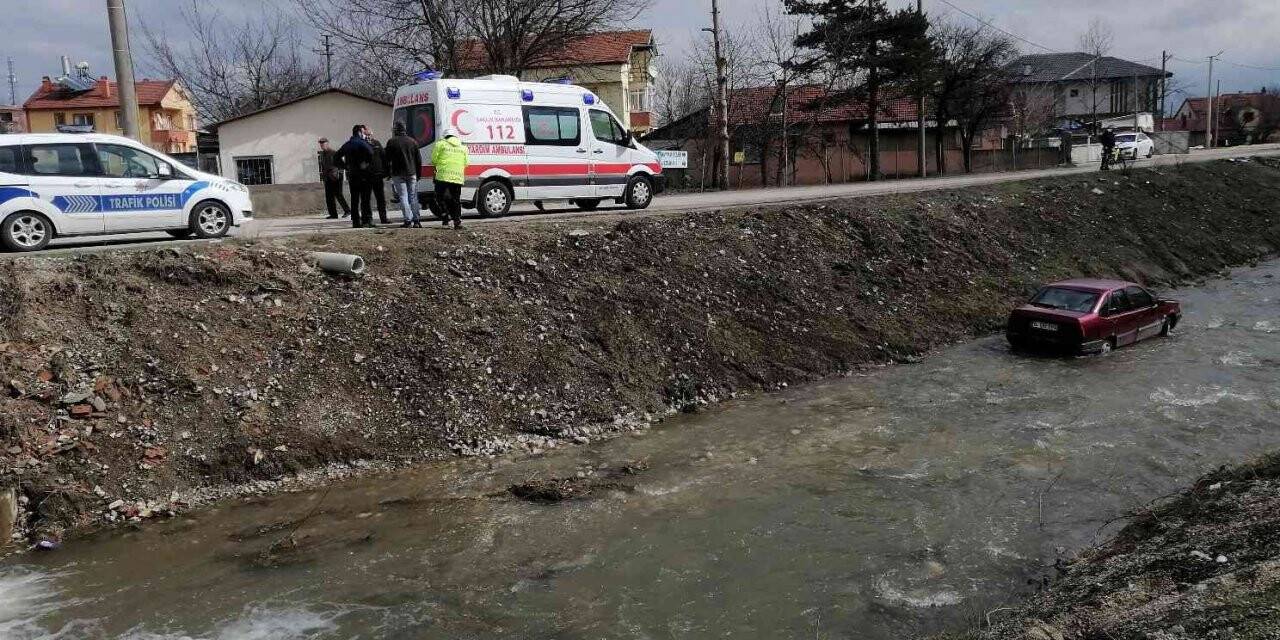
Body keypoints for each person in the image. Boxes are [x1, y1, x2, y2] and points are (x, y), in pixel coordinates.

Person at [335, 124, 375, 228]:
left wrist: (345, 166)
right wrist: (366, 163)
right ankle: (367, 220)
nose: (363, 134)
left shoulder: (347, 144)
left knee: (354, 199)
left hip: (352, 175)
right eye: (362, 132)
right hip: (364, 175)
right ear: (359, 132)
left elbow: (336, 157)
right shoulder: (362, 143)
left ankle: (356, 222)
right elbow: (371, 152)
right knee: (365, 199)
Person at [386, 122, 424, 228]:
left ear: (395, 130)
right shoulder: (413, 142)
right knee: (413, 197)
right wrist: (419, 174)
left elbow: (387, 159)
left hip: (397, 173)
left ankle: (407, 220)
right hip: (412, 173)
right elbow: (418, 160)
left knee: (403, 196)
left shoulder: (391, 142)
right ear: (405, 130)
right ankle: (416, 221)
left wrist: (388, 173)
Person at [431, 128, 469, 230]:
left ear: (445, 136)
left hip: (443, 176)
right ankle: (457, 222)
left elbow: (433, 159)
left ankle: (445, 216)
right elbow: (466, 163)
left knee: (439, 197)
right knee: (456, 200)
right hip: (457, 177)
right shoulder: (463, 147)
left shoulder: (441, 144)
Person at [317, 138, 350, 219]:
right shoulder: (322, 154)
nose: (322, 145)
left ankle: (347, 210)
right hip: (327, 178)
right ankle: (333, 214)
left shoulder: (334, 153)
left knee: (338, 194)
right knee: (329, 197)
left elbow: (343, 165)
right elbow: (323, 167)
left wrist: (338, 174)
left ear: (327, 143)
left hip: (336, 178)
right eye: (320, 144)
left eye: (323, 143)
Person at [368, 135, 389, 224]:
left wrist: (387, 172)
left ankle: (383, 218)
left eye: (370, 135)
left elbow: (384, 157)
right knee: (367, 199)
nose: (368, 137)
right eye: (366, 135)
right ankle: (369, 219)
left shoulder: (376, 143)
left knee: (380, 198)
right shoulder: (363, 144)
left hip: (378, 175)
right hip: (367, 176)